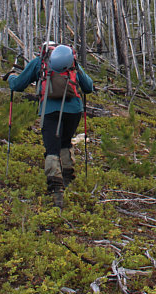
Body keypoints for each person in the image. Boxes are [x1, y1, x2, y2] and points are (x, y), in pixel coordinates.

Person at [6, 42, 93, 207]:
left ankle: (56, 190)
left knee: (52, 149)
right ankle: (67, 179)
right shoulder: (71, 62)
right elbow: (88, 87)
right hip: (73, 111)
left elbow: (18, 85)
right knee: (65, 143)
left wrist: (11, 77)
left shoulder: (40, 62)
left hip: (49, 110)